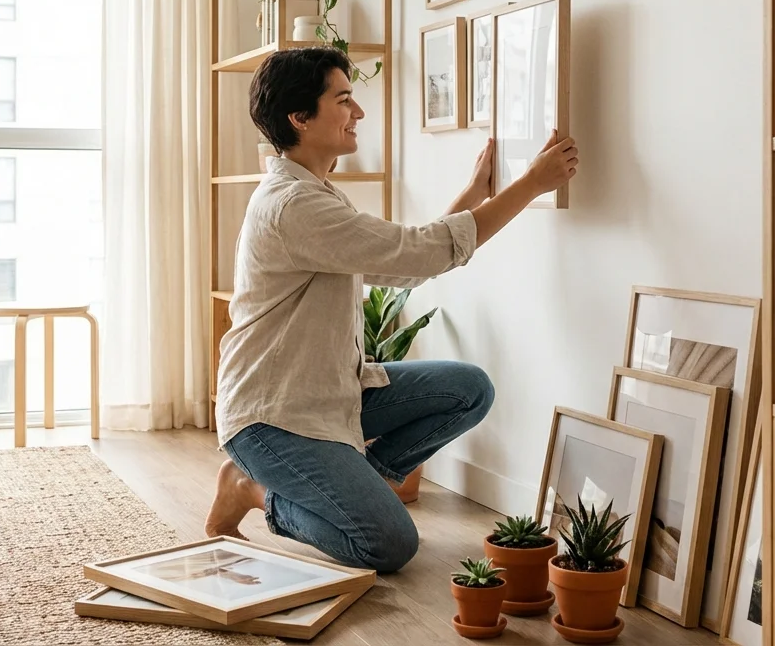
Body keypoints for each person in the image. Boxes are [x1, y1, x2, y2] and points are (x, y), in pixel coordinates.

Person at [205, 46, 579, 573]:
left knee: (468, 388)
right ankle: (252, 489)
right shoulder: (296, 205)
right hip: (274, 417)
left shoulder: (315, 192)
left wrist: (473, 196)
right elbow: (416, 252)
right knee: (389, 545)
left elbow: (403, 264)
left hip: (327, 393)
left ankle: (358, 482)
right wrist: (532, 184)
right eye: (344, 99)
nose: (357, 113)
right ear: (300, 118)